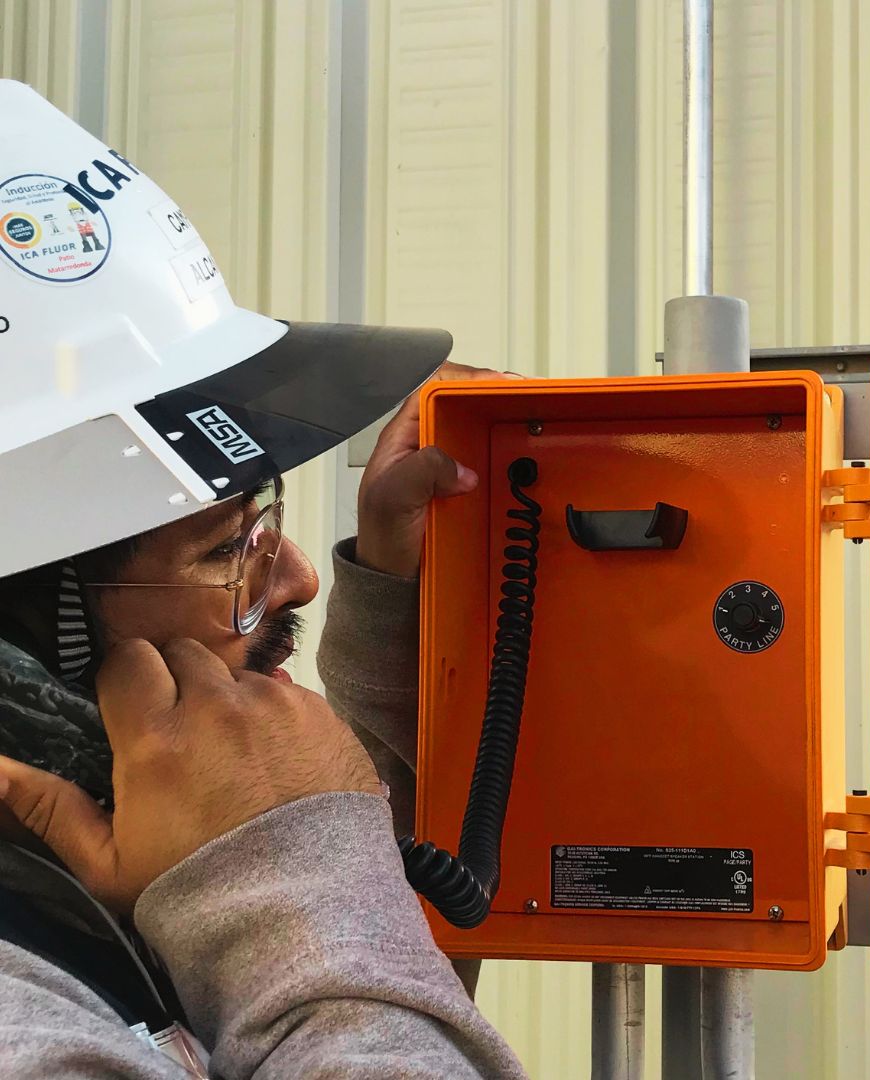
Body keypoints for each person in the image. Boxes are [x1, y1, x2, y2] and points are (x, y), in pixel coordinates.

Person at [0, 79, 525, 1077]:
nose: (299, 578)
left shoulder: (78, 873)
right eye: (225, 548)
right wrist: (281, 878)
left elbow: (389, 1006)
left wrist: (405, 618)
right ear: (25, 635)